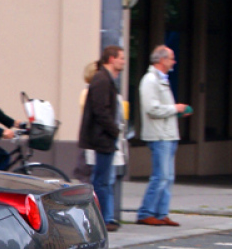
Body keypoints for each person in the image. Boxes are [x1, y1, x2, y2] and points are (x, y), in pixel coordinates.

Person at [136, 45, 190, 226]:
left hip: (168, 134)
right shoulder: (150, 80)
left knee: (168, 177)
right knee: (160, 176)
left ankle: (161, 213)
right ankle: (146, 212)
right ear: (161, 60)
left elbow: (160, 108)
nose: (174, 61)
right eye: (171, 58)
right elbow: (152, 109)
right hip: (159, 136)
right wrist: (175, 108)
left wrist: (177, 112)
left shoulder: (161, 79)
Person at [80, 45, 125, 231]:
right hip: (102, 137)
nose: (123, 61)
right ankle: (101, 219)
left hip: (104, 136)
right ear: (111, 59)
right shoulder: (101, 79)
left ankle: (106, 217)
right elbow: (101, 110)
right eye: (121, 58)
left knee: (104, 179)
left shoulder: (105, 79)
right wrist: (114, 130)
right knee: (101, 180)